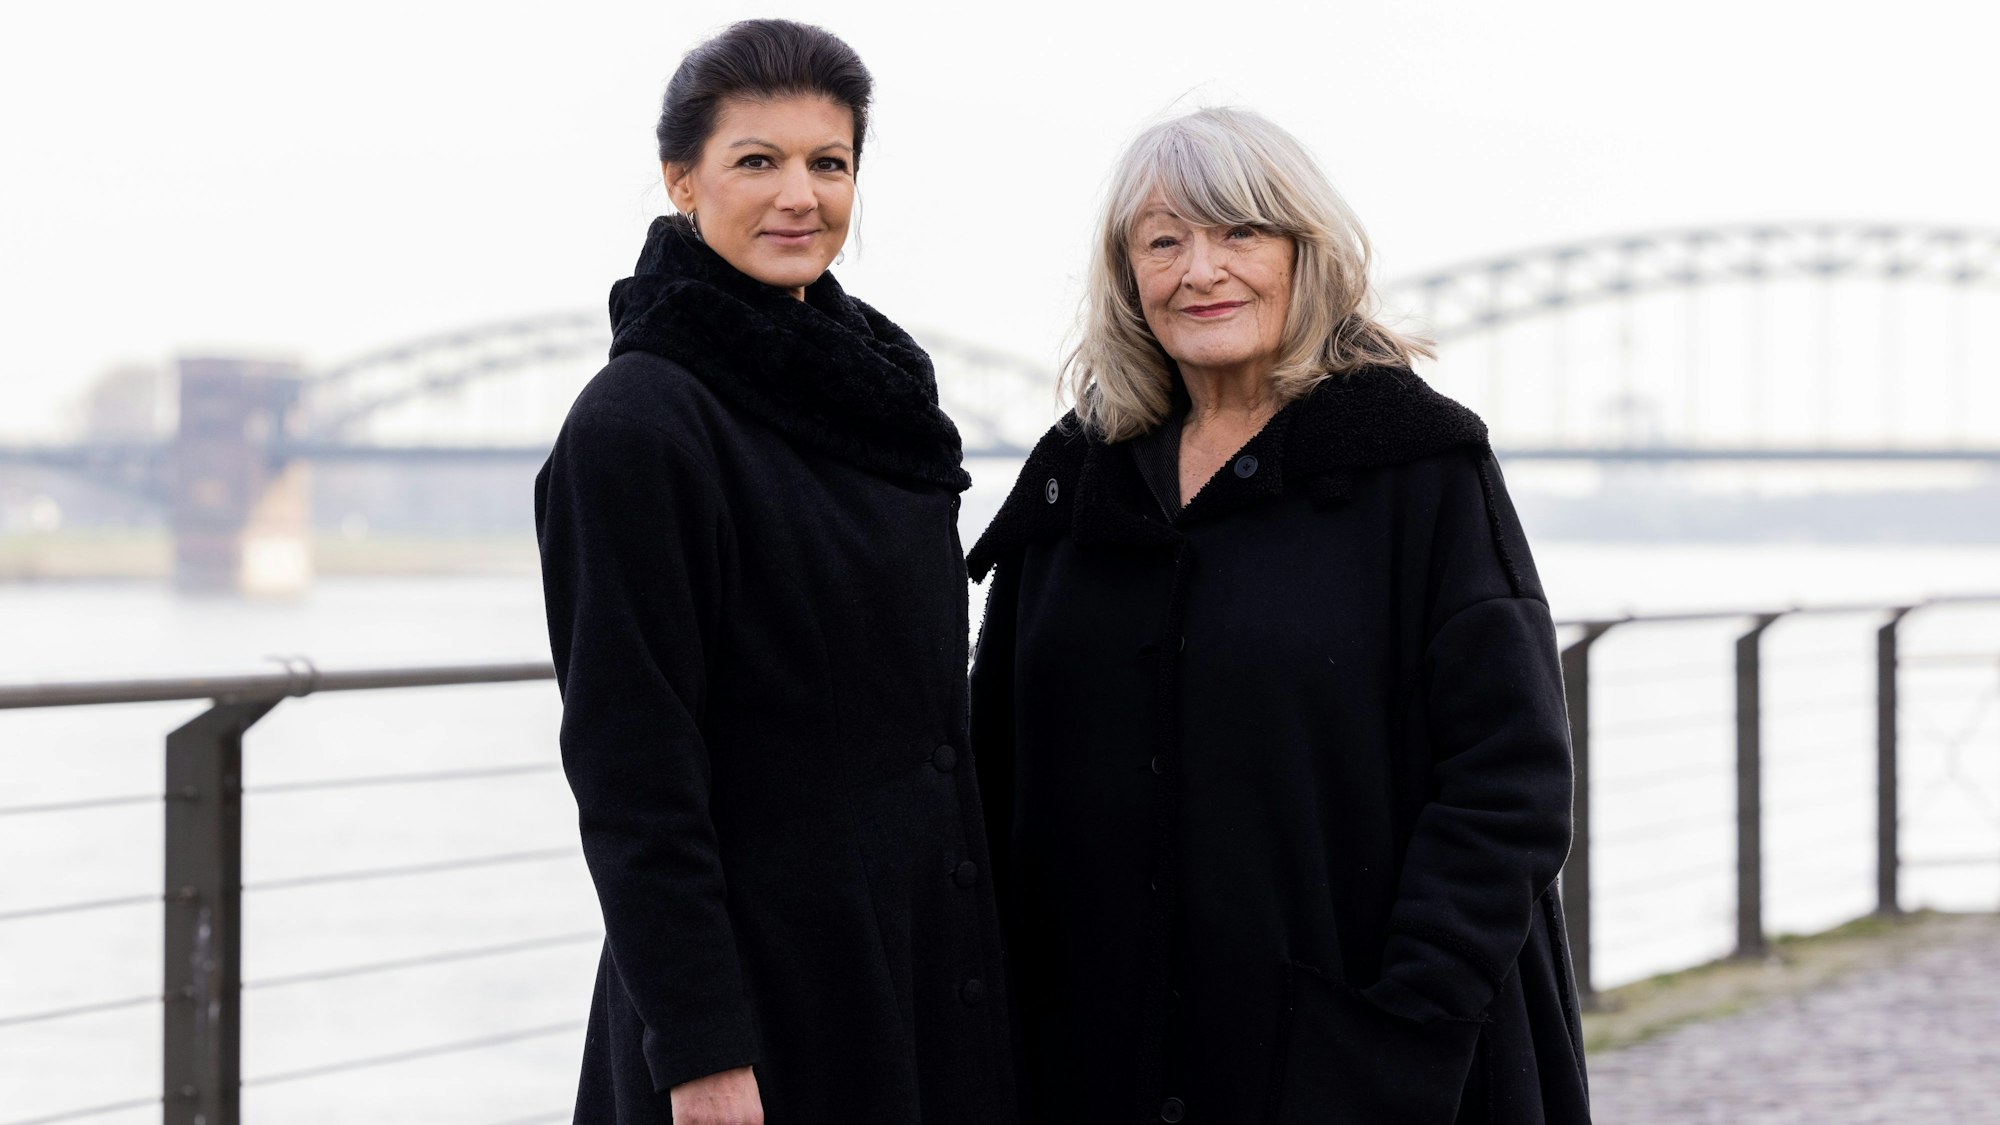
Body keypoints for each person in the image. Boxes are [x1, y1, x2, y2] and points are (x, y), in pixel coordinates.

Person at [967, 107, 1591, 1125]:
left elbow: (1508, 783)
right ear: (1126, 278)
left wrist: (1406, 1030)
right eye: (1162, 241)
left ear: (1307, 256)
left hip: (1355, 1067)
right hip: (1090, 1068)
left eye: (1239, 232)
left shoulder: (1416, 469)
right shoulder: (1073, 492)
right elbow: (992, 776)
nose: (1199, 269)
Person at [535, 20, 1017, 1125]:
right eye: (756, 161)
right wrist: (702, 1055)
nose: (799, 195)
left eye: (828, 162)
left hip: (918, 978)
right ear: (680, 180)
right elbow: (632, 775)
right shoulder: (640, 426)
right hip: (758, 1015)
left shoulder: (875, 397)